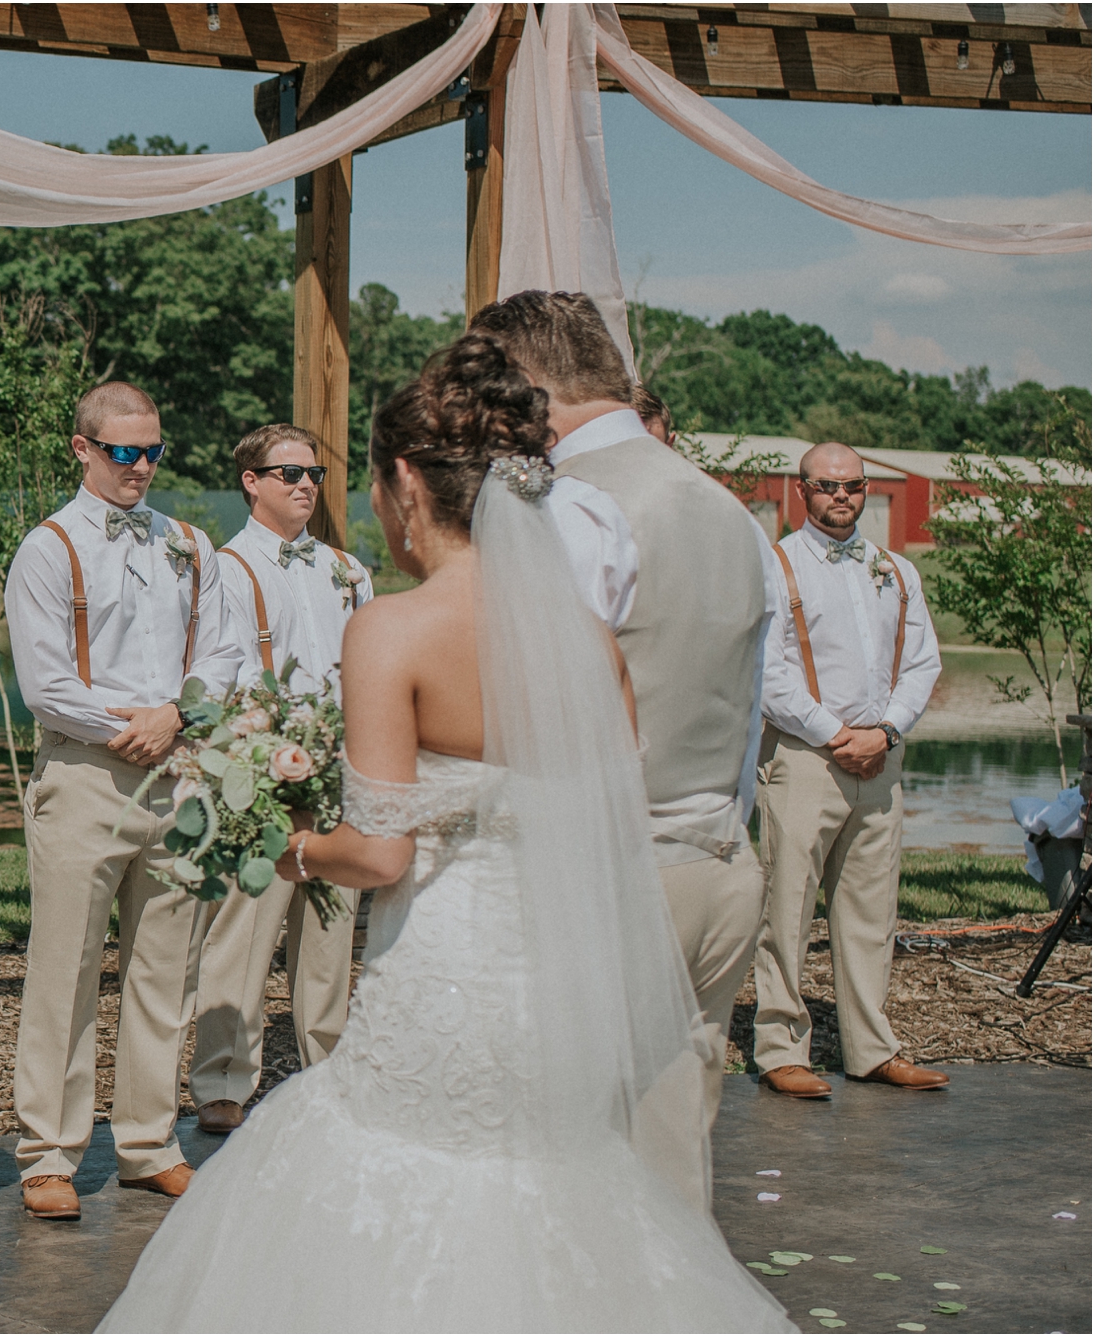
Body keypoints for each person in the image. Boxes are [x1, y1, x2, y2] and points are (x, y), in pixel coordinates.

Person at [100, 335, 791, 1332]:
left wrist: (293, 845)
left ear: (406, 487)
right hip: (554, 985)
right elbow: (604, 818)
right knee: (556, 1193)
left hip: (442, 975)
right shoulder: (589, 640)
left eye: (377, 485)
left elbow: (377, 853)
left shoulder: (391, 629)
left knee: (392, 1175)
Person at [471, 291, 772, 1204]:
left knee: (570, 1169)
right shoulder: (733, 513)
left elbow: (525, 717)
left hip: (605, 878)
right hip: (721, 863)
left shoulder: (565, 507)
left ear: (529, 387)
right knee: (674, 1164)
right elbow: (747, 703)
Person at [3, 382, 242, 1221]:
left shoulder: (190, 543)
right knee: (64, 964)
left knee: (165, 968)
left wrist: (178, 713)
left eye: (153, 452)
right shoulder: (48, 547)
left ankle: (147, 1142)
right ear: (83, 449)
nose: (141, 467)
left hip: (176, 769)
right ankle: (48, 1152)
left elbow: (224, 650)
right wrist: (130, 725)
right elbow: (44, 681)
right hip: (86, 773)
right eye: (123, 452)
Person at [189, 424, 371, 1136]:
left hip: (336, 773)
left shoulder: (349, 571)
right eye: (288, 472)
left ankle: (326, 1073)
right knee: (242, 933)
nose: (304, 484)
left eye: (314, 474)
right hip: (257, 771)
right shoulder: (226, 568)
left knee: (329, 934)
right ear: (251, 481)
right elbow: (220, 669)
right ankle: (223, 1082)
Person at [750, 442, 946, 1097]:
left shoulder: (894, 569)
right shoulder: (778, 565)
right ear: (802, 490)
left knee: (870, 910)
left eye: (854, 486)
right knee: (788, 905)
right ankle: (781, 1047)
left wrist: (887, 730)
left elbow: (922, 662)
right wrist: (835, 733)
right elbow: (768, 669)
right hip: (807, 758)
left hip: (879, 760)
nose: (843, 496)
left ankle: (870, 1047)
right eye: (829, 486)